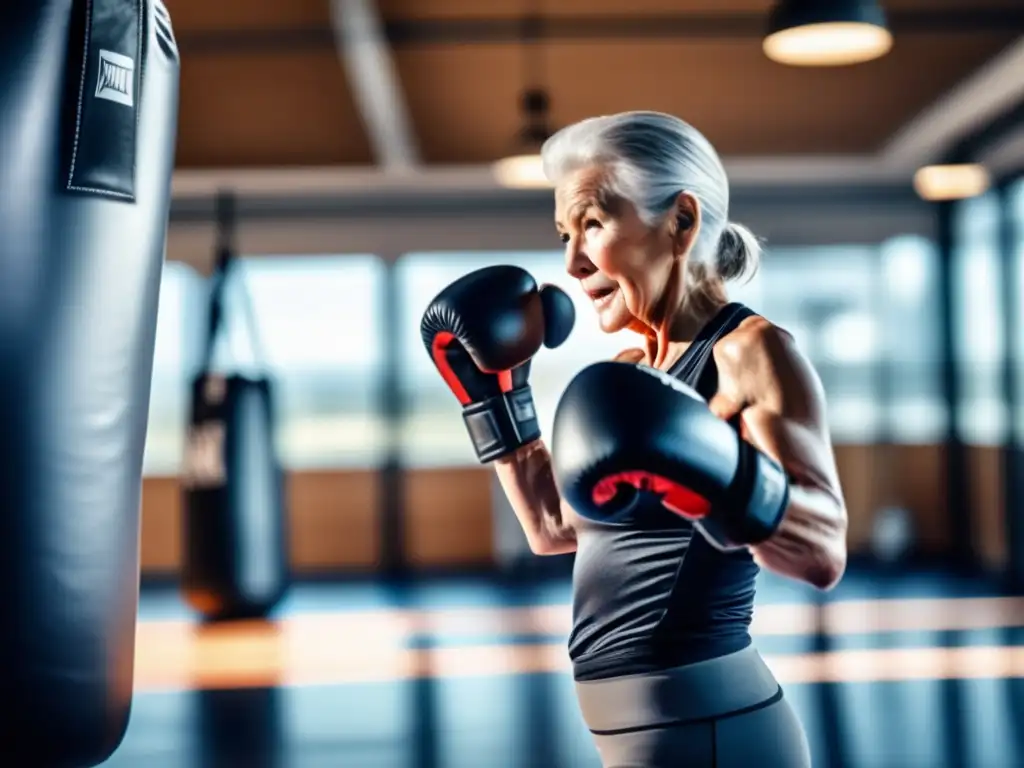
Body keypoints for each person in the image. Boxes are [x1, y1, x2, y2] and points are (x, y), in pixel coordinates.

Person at [419, 111, 847, 767]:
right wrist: (497, 398)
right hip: (641, 738)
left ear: (680, 222)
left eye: (591, 223)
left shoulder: (750, 353)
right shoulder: (628, 377)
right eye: (564, 233)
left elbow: (823, 551)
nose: (571, 260)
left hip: (717, 731)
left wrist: (725, 474)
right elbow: (552, 528)